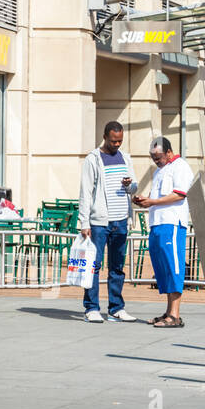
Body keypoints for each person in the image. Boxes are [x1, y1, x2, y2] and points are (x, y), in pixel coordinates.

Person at [77, 122, 138, 323]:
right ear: (104, 136)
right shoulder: (93, 159)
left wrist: (130, 186)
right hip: (99, 222)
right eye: (113, 141)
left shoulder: (125, 157)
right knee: (94, 265)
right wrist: (84, 222)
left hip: (121, 220)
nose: (117, 144)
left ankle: (116, 308)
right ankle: (91, 307)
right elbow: (85, 192)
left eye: (120, 140)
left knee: (117, 266)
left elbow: (134, 187)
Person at [133, 136, 194, 328]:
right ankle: (169, 311)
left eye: (159, 157)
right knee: (162, 268)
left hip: (172, 222)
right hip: (157, 222)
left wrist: (152, 202)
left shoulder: (180, 166)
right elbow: (157, 196)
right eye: (153, 158)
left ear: (169, 152)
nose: (157, 161)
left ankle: (175, 314)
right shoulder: (160, 171)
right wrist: (145, 200)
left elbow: (179, 194)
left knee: (173, 266)